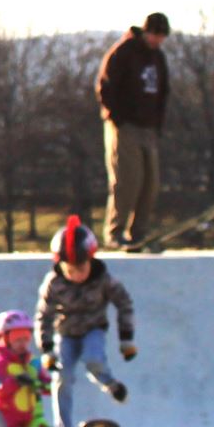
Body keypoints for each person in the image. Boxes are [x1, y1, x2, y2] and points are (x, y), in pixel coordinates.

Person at [35, 219, 137, 427]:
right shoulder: (54, 283)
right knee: (61, 376)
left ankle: (111, 385)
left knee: (93, 360)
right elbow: (44, 315)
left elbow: (124, 304)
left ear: (91, 260)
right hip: (65, 333)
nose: (75, 275)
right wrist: (46, 349)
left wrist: (126, 339)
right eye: (69, 270)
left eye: (80, 269)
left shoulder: (104, 280)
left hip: (94, 329)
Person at [95, 14, 171, 251]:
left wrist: (157, 123)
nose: (159, 41)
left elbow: (163, 91)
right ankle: (115, 232)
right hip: (124, 126)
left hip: (148, 127)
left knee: (150, 182)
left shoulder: (157, 57)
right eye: (156, 36)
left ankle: (139, 232)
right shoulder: (124, 51)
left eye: (162, 38)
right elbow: (105, 85)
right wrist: (116, 117)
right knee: (128, 179)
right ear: (147, 32)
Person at [0, 308, 51, 427]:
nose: (22, 343)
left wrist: (49, 383)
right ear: (3, 338)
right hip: (6, 415)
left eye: (26, 338)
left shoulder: (33, 362)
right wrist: (15, 382)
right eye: (16, 339)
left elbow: (47, 385)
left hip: (30, 415)